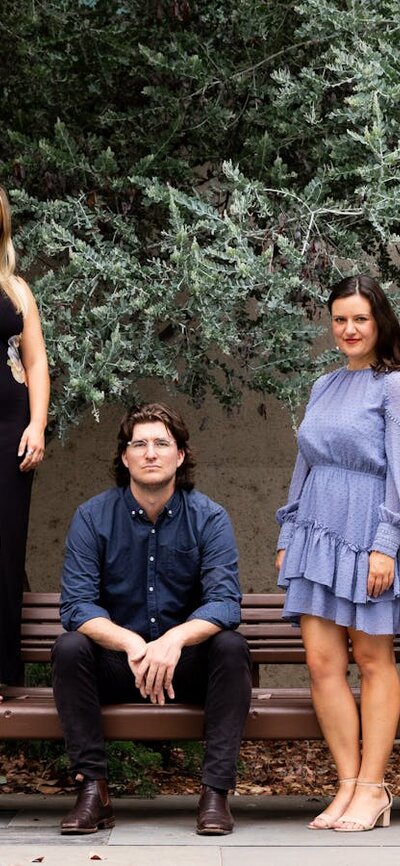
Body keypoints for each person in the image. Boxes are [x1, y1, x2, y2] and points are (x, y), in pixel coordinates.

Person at [52, 402, 252, 836]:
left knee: (232, 647)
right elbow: (77, 606)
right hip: (118, 664)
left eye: (162, 443)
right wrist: (131, 643)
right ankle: (94, 793)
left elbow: (225, 604)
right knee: (69, 649)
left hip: (186, 666)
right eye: (138, 444)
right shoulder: (92, 517)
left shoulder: (209, 518)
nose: (150, 452)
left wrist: (175, 640)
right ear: (124, 457)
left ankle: (215, 795)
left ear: (180, 455)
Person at [276, 275, 400, 833]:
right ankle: (347, 784)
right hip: (315, 532)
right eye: (340, 319)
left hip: (367, 530)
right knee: (323, 664)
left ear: (380, 323)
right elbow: (305, 464)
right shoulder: (323, 385)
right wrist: (286, 537)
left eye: (360, 319)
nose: (349, 329)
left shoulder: (393, 385)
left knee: (373, 662)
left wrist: (386, 545)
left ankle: (375, 788)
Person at [0, 185, 49, 688]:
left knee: (6, 544)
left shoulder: (15, 287)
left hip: (9, 427)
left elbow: (35, 361)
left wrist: (36, 425)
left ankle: (3, 670)